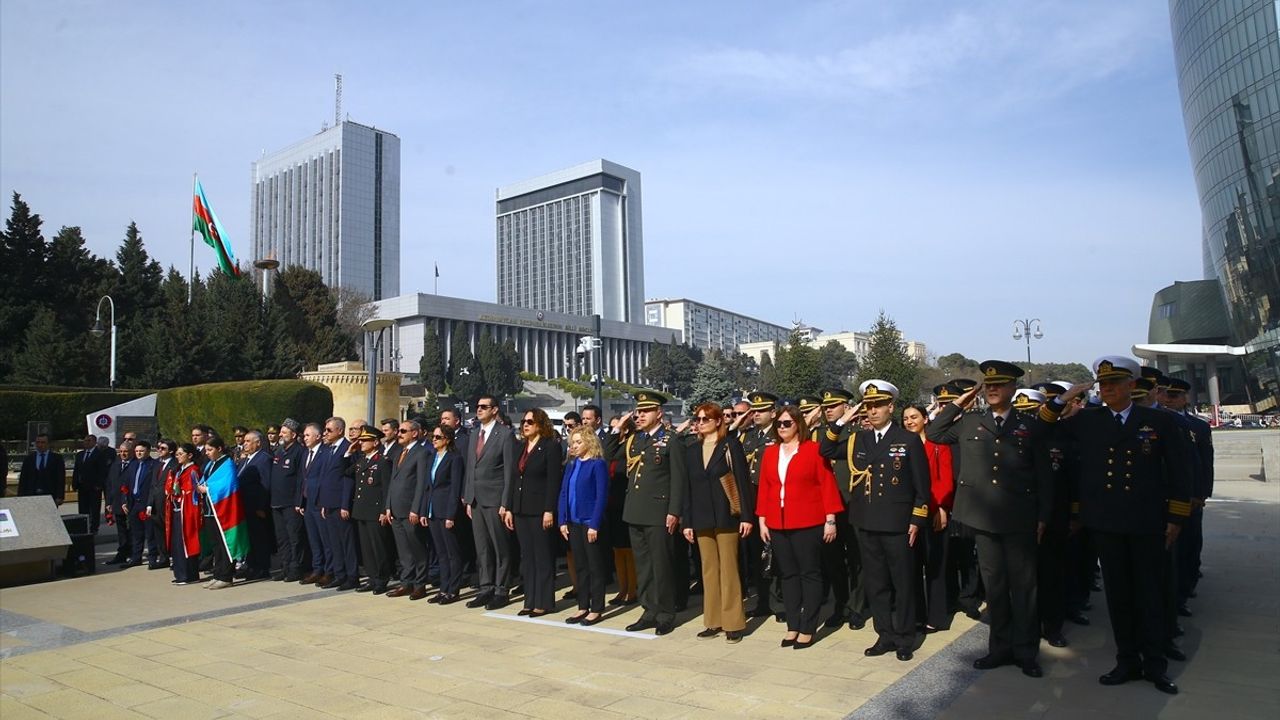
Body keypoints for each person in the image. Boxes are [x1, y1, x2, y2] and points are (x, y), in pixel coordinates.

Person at [1044, 357, 1192, 695]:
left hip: (1146, 523)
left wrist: (1177, 517)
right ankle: (1126, 660)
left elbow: (1181, 472)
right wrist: (1061, 399)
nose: (1107, 389)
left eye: (1114, 383)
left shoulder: (1158, 421)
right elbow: (1045, 424)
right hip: (1107, 524)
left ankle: (1155, 664)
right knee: (1119, 596)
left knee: (1150, 595)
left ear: (1131, 386)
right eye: (1103, 384)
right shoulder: (1088, 421)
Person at [927, 361, 1051, 679]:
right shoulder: (969, 422)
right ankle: (999, 648)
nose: (993, 389)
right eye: (988, 385)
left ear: (1012, 389)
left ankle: (1026, 651)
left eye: (999, 385)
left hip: (1020, 517)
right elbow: (934, 431)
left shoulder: (1029, 424)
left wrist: (1044, 515)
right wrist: (959, 401)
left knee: (1024, 587)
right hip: (983, 518)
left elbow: (1044, 476)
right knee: (995, 587)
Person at [841, 383, 929, 661]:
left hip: (897, 523)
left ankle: (904, 637)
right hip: (866, 521)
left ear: (891, 407)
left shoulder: (908, 439)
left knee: (902, 583)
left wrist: (917, 518)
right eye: (868, 405)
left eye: (878, 404)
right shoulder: (860, 439)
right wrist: (843, 419)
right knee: (876, 583)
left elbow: (921, 486)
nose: (873, 410)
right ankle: (885, 633)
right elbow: (827, 447)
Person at [756, 405, 843, 649]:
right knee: (788, 575)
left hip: (808, 521)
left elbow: (827, 484)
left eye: (787, 423)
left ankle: (808, 626)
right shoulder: (771, 452)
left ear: (798, 425)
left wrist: (831, 519)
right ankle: (793, 625)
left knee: (810, 573)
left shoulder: (813, 450)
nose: (782, 427)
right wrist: (762, 518)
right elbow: (765, 486)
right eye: (779, 424)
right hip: (777, 522)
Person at [607, 390, 687, 636]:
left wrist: (674, 511)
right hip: (635, 511)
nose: (639, 415)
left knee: (661, 565)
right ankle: (649, 610)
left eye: (645, 411)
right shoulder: (635, 439)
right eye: (638, 411)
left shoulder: (671, 439)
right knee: (643, 565)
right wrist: (618, 427)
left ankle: (664, 613)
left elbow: (679, 479)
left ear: (658, 413)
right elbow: (608, 454)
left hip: (659, 512)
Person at [681, 402, 753, 643]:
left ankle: (733, 623)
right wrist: (687, 522)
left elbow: (742, 482)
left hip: (726, 515)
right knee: (708, 570)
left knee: (729, 568)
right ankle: (713, 621)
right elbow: (687, 489)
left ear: (719, 421)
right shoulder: (691, 450)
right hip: (701, 518)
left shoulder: (730, 445)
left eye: (706, 419)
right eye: (698, 419)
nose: (701, 423)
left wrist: (746, 517)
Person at [813, 387, 870, 631]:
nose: (828, 410)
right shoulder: (818, 435)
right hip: (828, 509)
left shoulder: (857, 433)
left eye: (833, 406)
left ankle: (856, 607)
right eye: (826, 407)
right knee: (833, 561)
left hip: (853, 505)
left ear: (846, 407)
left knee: (858, 559)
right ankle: (840, 604)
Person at [902, 404, 955, 633]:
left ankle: (936, 617)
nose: (909, 422)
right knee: (912, 567)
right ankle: (917, 615)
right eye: (905, 418)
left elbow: (945, 479)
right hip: (908, 514)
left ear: (925, 418)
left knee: (935, 566)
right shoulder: (900, 445)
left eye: (914, 417)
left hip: (933, 512)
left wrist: (942, 507)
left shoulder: (937, 445)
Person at [506, 408, 564, 616]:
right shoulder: (521, 447)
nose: (525, 425)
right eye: (523, 421)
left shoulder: (550, 447)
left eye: (530, 421)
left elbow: (553, 481)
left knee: (542, 556)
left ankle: (544, 601)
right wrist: (511, 508)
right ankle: (530, 600)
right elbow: (514, 480)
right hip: (521, 509)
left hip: (540, 509)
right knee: (527, 557)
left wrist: (549, 509)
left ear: (541, 423)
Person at [464, 395, 519, 610]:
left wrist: (506, 503)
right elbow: (471, 468)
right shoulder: (474, 434)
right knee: (482, 547)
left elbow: (509, 472)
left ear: (495, 410)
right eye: (477, 406)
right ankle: (485, 587)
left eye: (484, 407)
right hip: (476, 499)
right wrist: (469, 498)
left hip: (495, 499)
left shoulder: (505, 435)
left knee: (500, 546)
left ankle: (501, 589)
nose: (479, 410)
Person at [559, 426, 611, 625]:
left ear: (589, 442)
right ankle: (582, 606)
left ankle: (596, 608)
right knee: (580, 566)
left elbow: (601, 496)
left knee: (595, 566)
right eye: (573, 443)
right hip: (573, 522)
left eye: (579, 442)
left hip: (589, 522)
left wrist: (595, 524)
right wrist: (562, 520)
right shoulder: (572, 464)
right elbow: (564, 492)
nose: (575, 446)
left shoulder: (597, 465)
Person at [739, 391, 780, 619]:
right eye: (754, 410)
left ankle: (779, 602)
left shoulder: (779, 433)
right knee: (758, 554)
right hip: (753, 500)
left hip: (773, 499)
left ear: (773, 412)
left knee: (778, 554)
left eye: (762, 410)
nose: (756, 414)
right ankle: (763, 600)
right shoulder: (748, 437)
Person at [386, 420, 431, 600]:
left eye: (403, 431)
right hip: (396, 509)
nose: (399, 434)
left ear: (415, 433)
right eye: (399, 431)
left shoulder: (422, 453)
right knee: (403, 550)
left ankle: (420, 584)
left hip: (410, 509)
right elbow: (393, 481)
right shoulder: (399, 453)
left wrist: (416, 509)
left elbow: (421, 483)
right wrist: (388, 505)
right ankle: (406, 582)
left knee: (417, 548)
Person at [422, 424, 465, 604]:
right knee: (440, 552)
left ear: (447, 439)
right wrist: (424, 510)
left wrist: (451, 515)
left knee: (452, 552)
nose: (434, 440)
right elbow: (428, 487)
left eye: (438, 437)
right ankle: (443, 588)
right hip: (433, 510)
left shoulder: (454, 458)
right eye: (433, 436)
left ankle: (453, 590)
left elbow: (455, 488)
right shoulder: (432, 457)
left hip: (446, 510)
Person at [350, 428, 394, 595]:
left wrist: (384, 510)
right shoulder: (361, 461)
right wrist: (348, 453)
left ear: (375, 442)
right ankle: (372, 577)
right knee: (366, 548)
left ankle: (382, 579)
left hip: (375, 511)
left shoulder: (382, 461)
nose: (360, 443)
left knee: (378, 547)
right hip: (361, 510)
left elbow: (386, 488)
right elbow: (344, 472)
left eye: (364, 441)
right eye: (360, 441)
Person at [197, 436, 243, 590]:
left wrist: (208, 489)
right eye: (206, 450)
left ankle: (226, 575)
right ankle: (217, 574)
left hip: (223, 510)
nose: (207, 453)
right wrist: (201, 486)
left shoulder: (227, 464)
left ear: (219, 449)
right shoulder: (210, 464)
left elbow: (227, 485)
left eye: (210, 450)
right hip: (211, 510)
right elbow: (206, 479)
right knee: (215, 544)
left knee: (224, 543)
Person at [606, 414, 638, 606]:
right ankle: (622, 588)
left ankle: (632, 590)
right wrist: (616, 429)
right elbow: (607, 453)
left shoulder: (632, 445)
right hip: (613, 503)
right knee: (618, 549)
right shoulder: (616, 446)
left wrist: (623, 423)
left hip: (627, 501)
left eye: (618, 427)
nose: (614, 430)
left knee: (628, 549)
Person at [271, 419, 308, 582]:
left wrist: (299, 502)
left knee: (295, 538)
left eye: (284, 432)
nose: (280, 434)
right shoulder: (279, 451)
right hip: (277, 502)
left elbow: (301, 478)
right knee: (282, 538)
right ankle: (285, 567)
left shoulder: (299, 451)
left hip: (291, 503)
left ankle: (296, 568)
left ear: (293, 435)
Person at [164, 443, 204, 585]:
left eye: (181, 454)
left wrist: (182, 496)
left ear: (190, 455)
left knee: (186, 542)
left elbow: (194, 493)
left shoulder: (193, 470)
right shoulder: (179, 470)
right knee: (177, 544)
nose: (178, 456)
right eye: (177, 454)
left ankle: (189, 575)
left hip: (187, 511)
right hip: (177, 510)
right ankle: (180, 573)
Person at [297, 423, 331, 586]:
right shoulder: (305, 454)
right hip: (308, 502)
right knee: (313, 539)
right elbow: (302, 479)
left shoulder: (325, 453)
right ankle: (317, 569)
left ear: (318, 436)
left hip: (320, 501)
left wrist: (324, 501)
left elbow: (326, 479)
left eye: (308, 435)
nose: (305, 438)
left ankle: (328, 570)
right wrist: (300, 501)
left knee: (325, 539)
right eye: (304, 436)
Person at [237, 430, 274, 580]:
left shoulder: (264, 459)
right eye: (244, 441)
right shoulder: (246, 460)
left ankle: (262, 568)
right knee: (250, 538)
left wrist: (261, 506)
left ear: (258, 443)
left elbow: (265, 483)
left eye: (248, 441)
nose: (245, 444)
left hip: (256, 507)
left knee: (259, 538)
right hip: (245, 505)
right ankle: (251, 566)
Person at [145, 439, 178, 569]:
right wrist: (149, 504)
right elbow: (153, 486)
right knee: (159, 533)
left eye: (163, 448)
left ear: (170, 451)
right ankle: (163, 558)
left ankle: (176, 559)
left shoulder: (175, 465)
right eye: (158, 447)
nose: (159, 450)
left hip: (168, 504)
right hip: (156, 505)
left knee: (172, 532)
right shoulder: (157, 465)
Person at [124, 440, 155, 568]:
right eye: (136, 451)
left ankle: (153, 558)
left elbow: (154, 487)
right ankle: (136, 557)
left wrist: (150, 503)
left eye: (141, 451)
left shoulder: (154, 465)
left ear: (148, 451)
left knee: (150, 533)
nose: (138, 453)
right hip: (133, 503)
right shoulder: (133, 465)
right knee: (136, 533)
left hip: (146, 503)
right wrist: (124, 501)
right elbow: (126, 484)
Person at [104, 441, 135, 565]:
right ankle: (122, 553)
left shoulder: (135, 465)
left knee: (132, 530)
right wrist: (108, 502)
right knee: (121, 531)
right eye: (121, 451)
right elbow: (110, 485)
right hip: (116, 503)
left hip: (130, 503)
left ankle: (132, 553)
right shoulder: (115, 465)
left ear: (131, 452)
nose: (123, 454)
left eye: (125, 451)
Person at [71, 435, 109, 534]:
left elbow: (103, 471)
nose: (86, 442)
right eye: (85, 440)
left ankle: (94, 528)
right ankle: (84, 526)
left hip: (94, 487)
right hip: (82, 486)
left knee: (94, 509)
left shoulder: (99, 454)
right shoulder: (80, 455)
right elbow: (76, 470)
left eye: (89, 440)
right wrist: (75, 484)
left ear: (94, 442)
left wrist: (99, 485)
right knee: (83, 508)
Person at [18, 433, 65, 504]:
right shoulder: (29, 459)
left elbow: (60, 478)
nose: (40, 445)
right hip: (31, 495)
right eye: (38, 442)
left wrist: (60, 496)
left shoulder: (57, 459)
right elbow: (23, 478)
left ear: (48, 444)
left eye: (43, 442)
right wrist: (20, 496)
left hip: (50, 495)